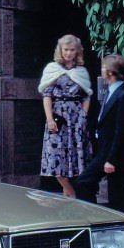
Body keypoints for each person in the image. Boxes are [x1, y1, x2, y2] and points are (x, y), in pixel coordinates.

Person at [73, 53, 124, 213]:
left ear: (110, 72)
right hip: (104, 152)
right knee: (84, 183)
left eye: (103, 67)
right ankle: (95, 218)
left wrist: (111, 160)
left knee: (118, 198)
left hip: (115, 157)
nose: (101, 70)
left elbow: (121, 131)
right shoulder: (112, 92)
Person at [38, 34, 92, 197]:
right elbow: (46, 96)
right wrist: (49, 119)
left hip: (76, 120)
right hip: (58, 118)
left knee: (75, 161)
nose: (68, 53)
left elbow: (87, 96)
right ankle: (71, 192)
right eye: (66, 50)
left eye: (72, 50)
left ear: (77, 51)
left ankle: (67, 199)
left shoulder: (81, 71)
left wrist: (83, 115)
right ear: (60, 50)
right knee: (55, 160)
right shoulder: (52, 69)